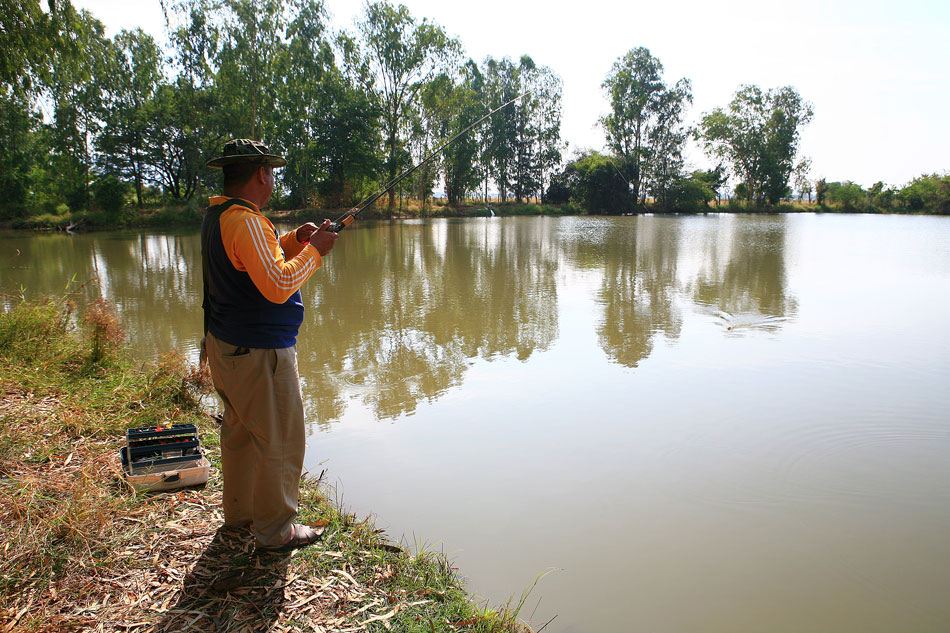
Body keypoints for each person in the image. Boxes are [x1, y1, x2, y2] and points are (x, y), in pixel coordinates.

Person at [201, 138, 337, 550]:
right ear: (261, 173)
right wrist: (315, 253)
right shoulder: (247, 221)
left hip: (228, 348)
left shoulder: (221, 214)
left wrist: (297, 239)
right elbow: (278, 285)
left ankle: (241, 516)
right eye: (272, 171)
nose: (273, 179)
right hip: (259, 354)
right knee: (281, 440)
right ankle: (275, 531)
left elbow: (262, 260)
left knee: (240, 435)